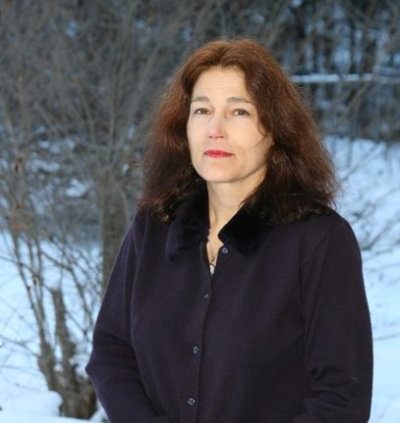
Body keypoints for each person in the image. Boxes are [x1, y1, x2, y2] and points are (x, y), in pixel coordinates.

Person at [86, 38, 373, 423]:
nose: (215, 129)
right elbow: (111, 352)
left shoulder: (319, 240)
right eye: (202, 110)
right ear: (184, 127)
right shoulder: (153, 227)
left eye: (239, 111)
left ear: (275, 128)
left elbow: (342, 398)